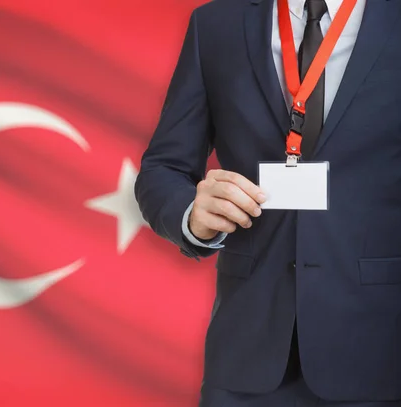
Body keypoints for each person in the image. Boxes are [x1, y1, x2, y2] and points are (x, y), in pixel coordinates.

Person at [134, 0, 401, 405]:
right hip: (246, 358)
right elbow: (162, 168)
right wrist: (191, 214)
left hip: (381, 353)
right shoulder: (216, 24)